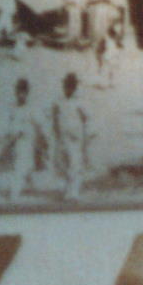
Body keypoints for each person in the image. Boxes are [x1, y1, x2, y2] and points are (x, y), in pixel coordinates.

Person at [49, 71, 94, 203]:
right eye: (66, 86)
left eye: (71, 86)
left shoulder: (80, 101)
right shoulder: (59, 101)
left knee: (75, 164)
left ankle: (73, 192)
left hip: (75, 137)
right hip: (62, 137)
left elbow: (87, 118)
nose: (68, 89)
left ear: (75, 87)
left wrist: (86, 136)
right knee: (62, 163)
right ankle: (67, 188)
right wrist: (55, 131)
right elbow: (54, 115)